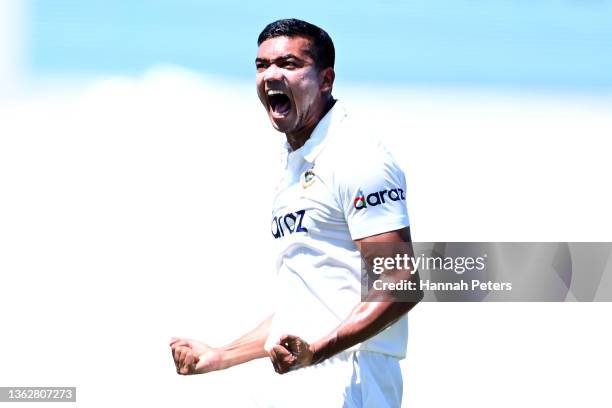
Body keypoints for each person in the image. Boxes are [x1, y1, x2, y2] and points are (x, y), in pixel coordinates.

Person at [170, 18, 422, 407]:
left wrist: (318, 350)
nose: (271, 74)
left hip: (352, 376)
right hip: (305, 377)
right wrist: (222, 356)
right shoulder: (296, 164)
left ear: (325, 80)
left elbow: (401, 280)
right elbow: (307, 305)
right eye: (262, 65)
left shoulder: (357, 156)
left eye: (288, 64)